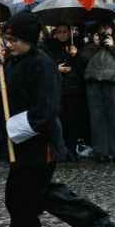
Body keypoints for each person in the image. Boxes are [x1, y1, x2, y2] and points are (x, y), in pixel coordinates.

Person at [0, 11, 115, 227]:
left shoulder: (42, 64)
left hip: (39, 141)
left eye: (14, 40)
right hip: (20, 141)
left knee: (33, 194)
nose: (9, 44)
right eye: (8, 39)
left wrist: (17, 128)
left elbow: (47, 108)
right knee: (29, 195)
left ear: (28, 39)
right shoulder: (13, 61)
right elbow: (4, 98)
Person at [44, 25, 89, 162]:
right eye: (60, 32)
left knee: (73, 121)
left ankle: (72, 149)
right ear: (55, 34)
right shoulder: (50, 47)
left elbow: (83, 68)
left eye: (65, 32)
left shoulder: (78, 45)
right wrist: (57, 68)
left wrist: (76, 56)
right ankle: (61, 150)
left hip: (74, 89)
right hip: (58, 89)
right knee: (60, 120)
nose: (63, 35)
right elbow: (46, 65)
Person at [81, 23, 115, 163]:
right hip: (94, 83)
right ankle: (101, 151)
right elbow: (83, 59)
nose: (104, 31)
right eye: (101, 29)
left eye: (107, 28)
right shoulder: (92, 44)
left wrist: (113, 46)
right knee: (97, 118)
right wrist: (94, 45)